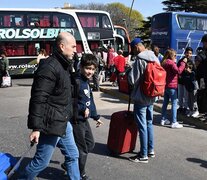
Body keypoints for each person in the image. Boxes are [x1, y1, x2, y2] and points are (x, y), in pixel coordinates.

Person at [19, 32, 80, 180]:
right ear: (62, 46)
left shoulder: (64, 65)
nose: (75, 50)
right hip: (50, 123)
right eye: (73, 46)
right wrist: (36, 128)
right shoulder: (49, 67)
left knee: (73, 155)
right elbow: (38, 98)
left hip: (63, 120)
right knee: (41, 162)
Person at [62, 53, 103, 179]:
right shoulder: (77, 82)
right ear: (81, 67)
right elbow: (70, 102)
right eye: (87, 68)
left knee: (90, 144)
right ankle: (80, 173)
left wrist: (96, 116)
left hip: (84, 121)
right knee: (82, 149)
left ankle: (69, 163)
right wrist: (81, 109)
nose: (90, 71)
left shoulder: (86, 81)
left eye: (92, 69)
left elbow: (90, 101)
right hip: (76, 121)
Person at [128, 38, 159, 163]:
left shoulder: (140, 59)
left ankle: (143, 155)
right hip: (153, 95)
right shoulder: (154, 57)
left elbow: (132, 80)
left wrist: (129, 70)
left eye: (133, 49)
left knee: (142, 126)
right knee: (149, 123)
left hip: (141, 97)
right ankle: (150, 150)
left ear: (136, 47)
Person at [160, 48, 187, 128]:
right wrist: (183, 63)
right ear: (171, 55)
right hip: (172, 86)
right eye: (174, 55)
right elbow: (178, 71)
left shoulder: (164, 62)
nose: (175, 56)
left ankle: (163, 119)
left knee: (165, 103)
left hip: (166, 86)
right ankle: (174, 122)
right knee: (174, 104)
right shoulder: (172, 63)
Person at [177, 47, 193, 114]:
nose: (188, 54)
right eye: (187, 53)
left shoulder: (191, 62)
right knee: (180, 95)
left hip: (187, 81)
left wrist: (190, 72)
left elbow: (193, 70)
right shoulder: (181, 60)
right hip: (181, 81)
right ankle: (180, 107)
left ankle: (185, 108)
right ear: (185, 53)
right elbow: (177, 69)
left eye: (190, 53)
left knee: (186, 96)